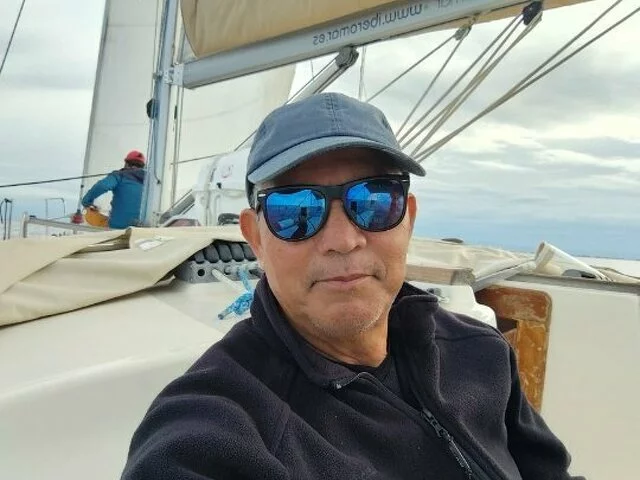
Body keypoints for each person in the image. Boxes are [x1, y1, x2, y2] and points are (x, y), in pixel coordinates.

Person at [121, 93, 583, 479]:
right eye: (295, 210)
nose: (343, 240)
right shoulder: (220, 422)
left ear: (408, 218)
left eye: (374, 201)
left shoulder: (480, 352)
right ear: (255, 237)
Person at [81, 150, 146, 229]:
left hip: (118, 227)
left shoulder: (120, 175)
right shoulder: (151, 182)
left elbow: (103, 186)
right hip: (142, 229)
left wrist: (86, 201)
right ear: (143, 167)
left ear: (126, 164)